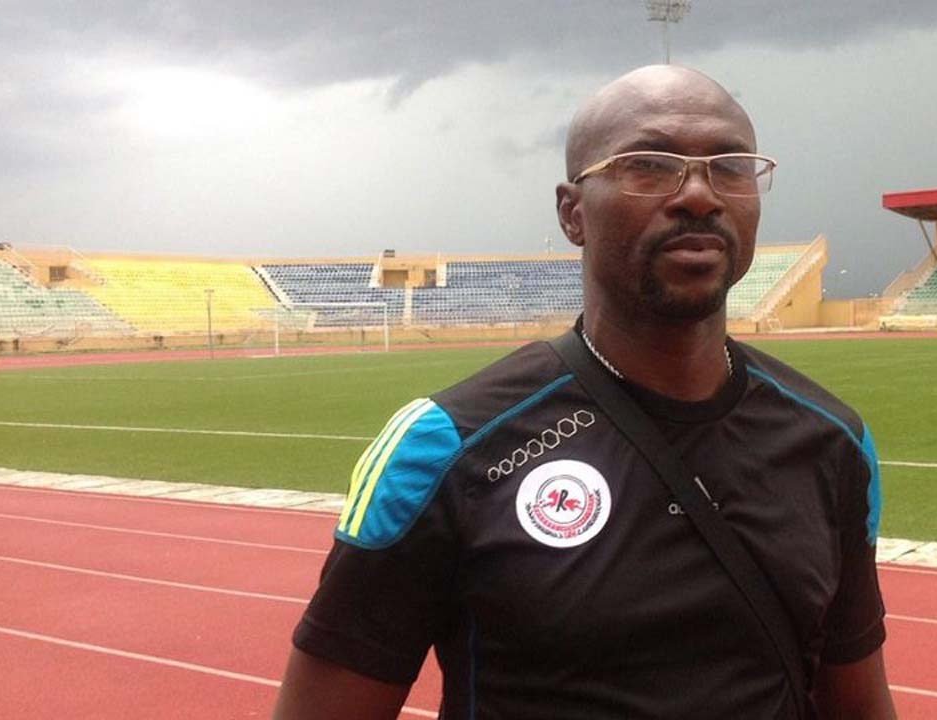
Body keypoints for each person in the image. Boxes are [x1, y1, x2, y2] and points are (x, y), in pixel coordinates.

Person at [273, 65, 896, 720]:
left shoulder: (832, 443)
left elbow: (857, 703)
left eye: (730, 167)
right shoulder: (444, 448)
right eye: (649, 165)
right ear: (572, 213)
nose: (699, 194)